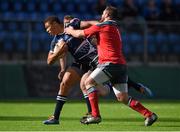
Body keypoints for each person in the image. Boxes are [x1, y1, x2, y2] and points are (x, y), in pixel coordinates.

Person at [43, 15, 153, 125]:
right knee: (65, 82)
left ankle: (94, 113)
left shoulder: (72, 25)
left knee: (92, 86)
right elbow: (49, 61)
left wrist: (102, 31)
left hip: (97, 59)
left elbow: (91, 23)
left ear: (55, 24)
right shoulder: (56, 41)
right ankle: (55, 117)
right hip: (81, 62)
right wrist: (60, 53)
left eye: (48, 28)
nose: (47, 31)